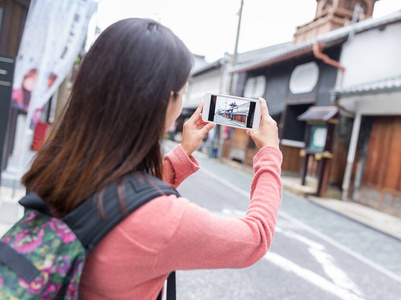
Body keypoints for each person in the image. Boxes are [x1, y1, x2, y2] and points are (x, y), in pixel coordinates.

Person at [21, 18, 282, 299]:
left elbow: (111, 204)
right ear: (162, 101)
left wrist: (181, 155)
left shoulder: (54, 166)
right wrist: (269, 153)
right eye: (181, 92)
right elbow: (255, 238)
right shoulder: (164, 221)